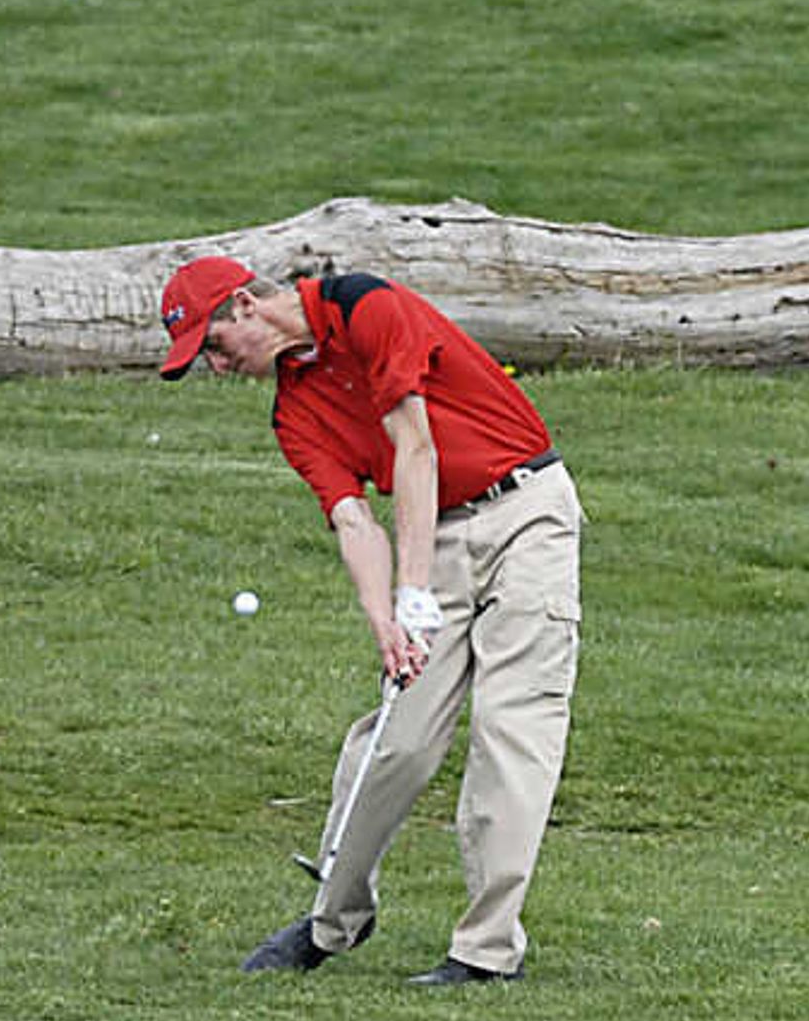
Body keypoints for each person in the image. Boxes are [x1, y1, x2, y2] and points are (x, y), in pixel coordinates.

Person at [158, 253, 582, 984]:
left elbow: (415, 449)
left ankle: (485, 953)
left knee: (512, 731)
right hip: (436, 534)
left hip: (527, 513)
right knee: (395, 740)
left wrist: (414, 594)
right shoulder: (294, 415)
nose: (219, 370)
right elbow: (354, 522)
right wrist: (387, 619)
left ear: (245, 308)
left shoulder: (365, 306)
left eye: (216, 349)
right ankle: (332, 921)